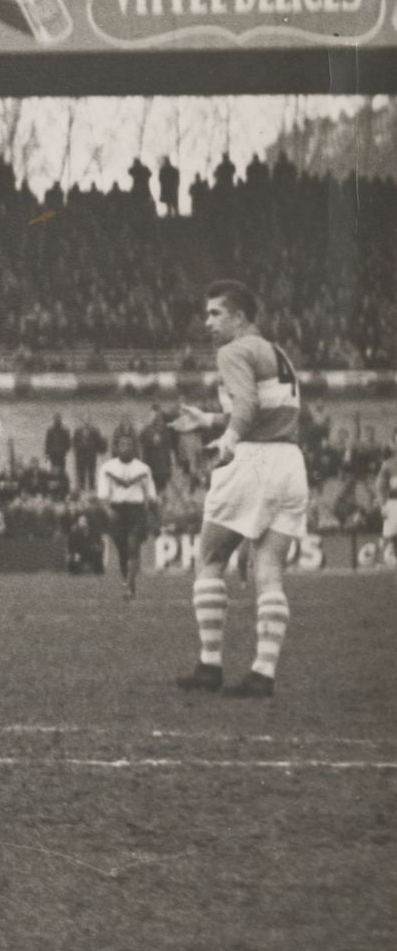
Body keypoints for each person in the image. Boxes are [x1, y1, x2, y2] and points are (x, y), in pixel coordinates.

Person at [169, 280, 307, 699]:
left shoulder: (233, 351)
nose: (207, 322)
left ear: (240, 317)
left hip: (253, 461)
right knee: (269, 572)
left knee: (210, 557)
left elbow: (246, 408)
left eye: (216, 313)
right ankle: (262, 673)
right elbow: (266, 407)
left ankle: (210, 665)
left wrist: (227, 439)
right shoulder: (275, 353)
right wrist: (209, 420)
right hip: (290, 464)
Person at [97, 431, 156, 600]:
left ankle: (129, 586)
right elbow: (102, 496)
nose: (126, 448)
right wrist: (108, 511)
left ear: (134, 448)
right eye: (122, 445)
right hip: (117, 511)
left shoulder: (143, 469)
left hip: (136, 510)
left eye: (129, 445)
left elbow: (151, 495)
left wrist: (153, 515)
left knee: (133, 546)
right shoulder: (107, 468)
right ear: (116, 448)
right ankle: (128, 582)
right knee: (123, 551)